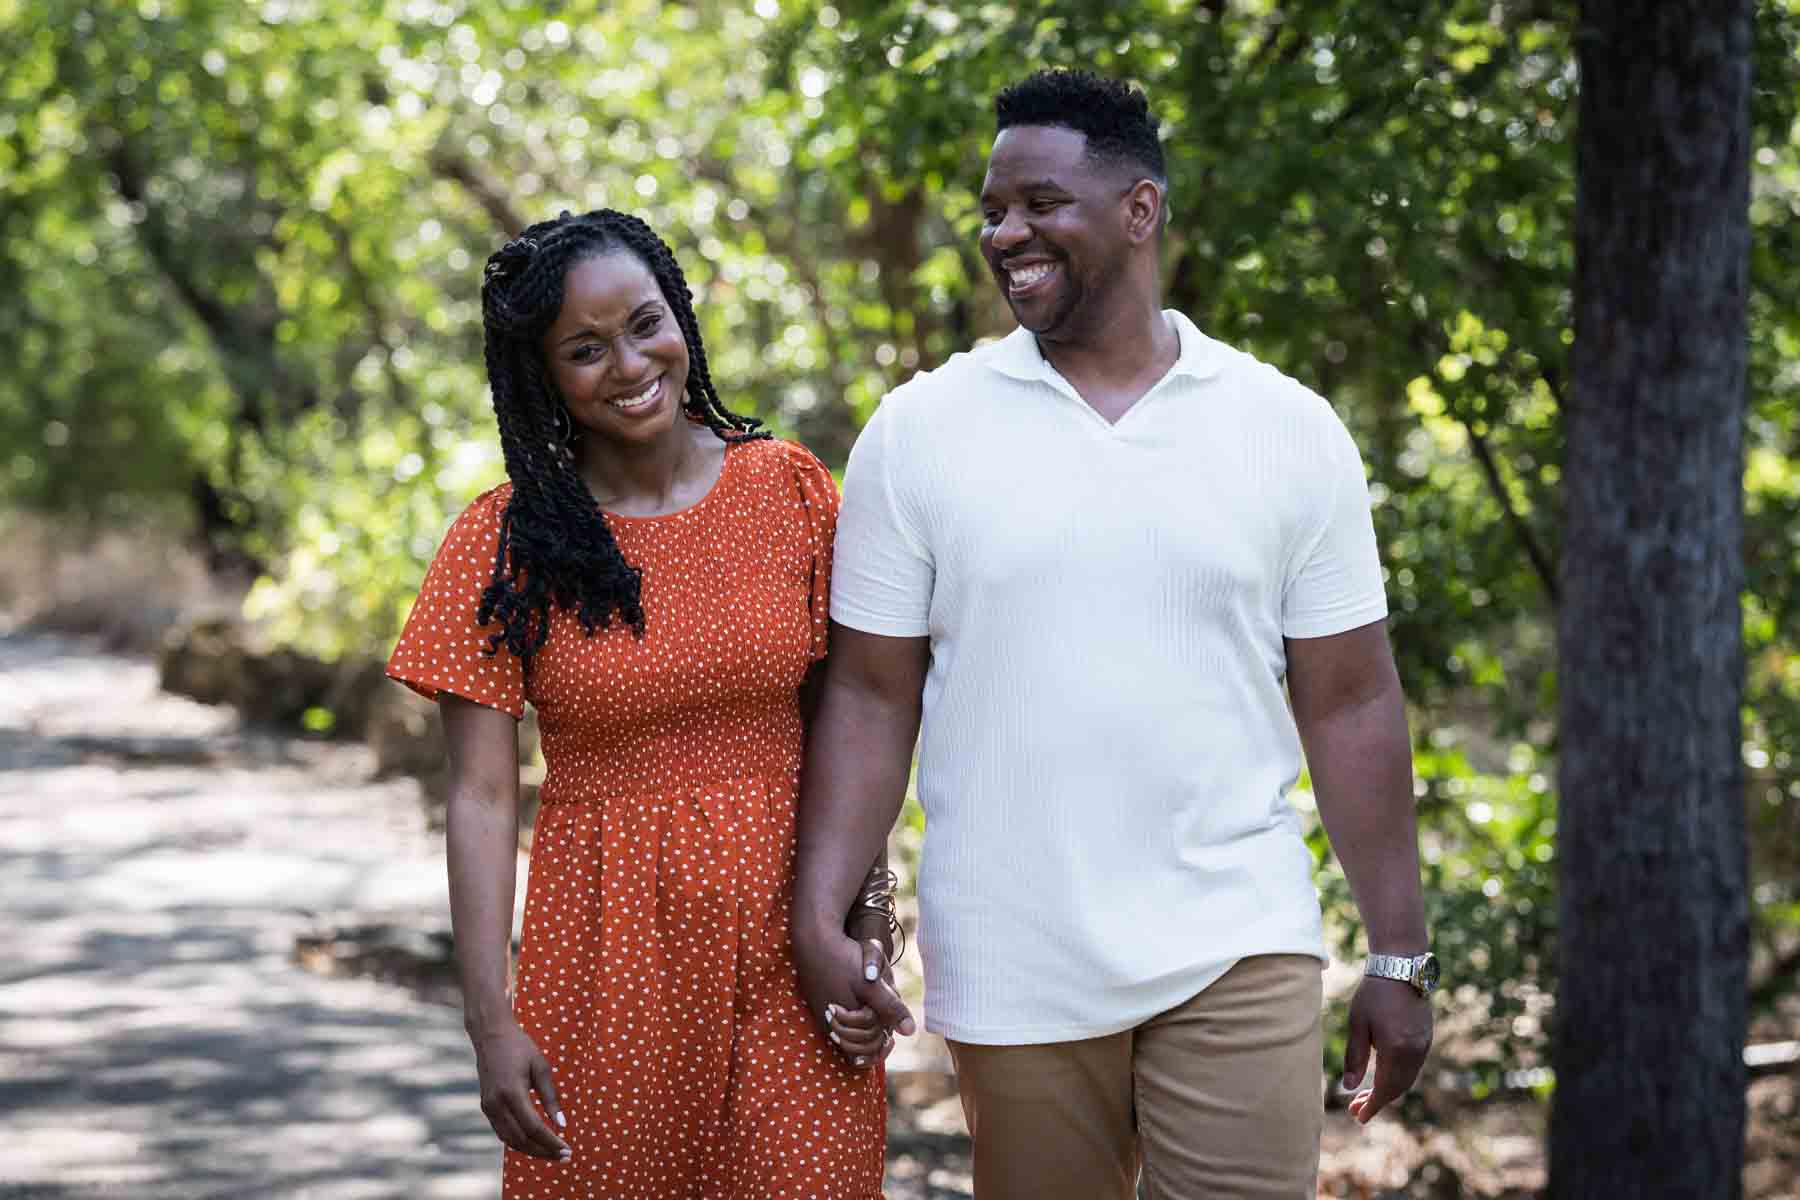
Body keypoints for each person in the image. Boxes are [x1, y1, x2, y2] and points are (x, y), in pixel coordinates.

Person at [792, 70, 1437, 1199]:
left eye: (1041, 203)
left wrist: (1400, 952)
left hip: (1239, 934)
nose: (1007, 234)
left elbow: (1350, 699)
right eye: (993, 210)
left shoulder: (1287, 430)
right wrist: (825, 900)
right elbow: (869, 694)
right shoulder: (920, 433)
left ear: (1139, 209)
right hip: (1012, 952)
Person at [386, 208, 894, 1199]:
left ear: (683, 320)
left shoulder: (789, 488)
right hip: (609, 955)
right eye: (584, 349)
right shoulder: (504, 542)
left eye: (644, 324)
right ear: (545, 375)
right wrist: (492, 1022)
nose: (627, 363)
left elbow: (853, 729)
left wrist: (868, 916)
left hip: (797, 941)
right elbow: (483, 800)